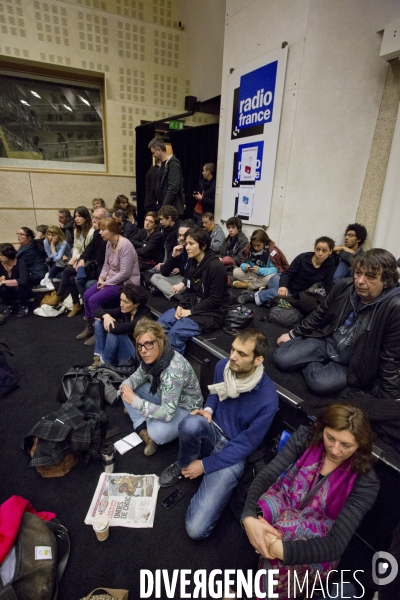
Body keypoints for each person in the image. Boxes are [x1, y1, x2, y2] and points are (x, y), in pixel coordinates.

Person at [241, 404, 379, 599]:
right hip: (287, 498)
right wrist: (249, 517)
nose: (335, 450)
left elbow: (336, 544)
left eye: (346, 445)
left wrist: (282, 550)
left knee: (284, 530)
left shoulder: (366, 481)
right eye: (330, 438)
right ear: (322, 429)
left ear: (360, 446)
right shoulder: (306, 437)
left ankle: (258, 591)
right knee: (261, 510)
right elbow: (268, 475)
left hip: (321, 532)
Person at [159, 327, 279, 540]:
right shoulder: (224, 366)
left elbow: (245, 446)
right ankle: (183, 464)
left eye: (242, 354)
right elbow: (214, 393)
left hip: (234, 450)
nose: (232, 356)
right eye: (233, 349)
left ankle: (202, 476)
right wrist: (208, 410)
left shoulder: (268, 399)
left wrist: (205, 466)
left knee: (196, 530)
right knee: (191, 424)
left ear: (258, 360)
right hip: (212, 429)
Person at [274, 248, 400, 398]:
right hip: (326, 341)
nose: (360, 281)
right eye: (358, 273)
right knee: (281, 358)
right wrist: (293, 333)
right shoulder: (345, 286)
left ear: (386, 281)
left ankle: (309, 363)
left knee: (320, 383)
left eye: (370, 276)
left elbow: (391, 356)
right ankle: (315, 363)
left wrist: (391, 397)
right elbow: (320, 313)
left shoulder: (394, 307)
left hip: (352, 364)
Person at [120, 319, 203, 456]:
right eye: (140, 345)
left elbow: (167, 413)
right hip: (163, 395)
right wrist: (128, 387)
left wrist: (136, 402)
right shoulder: (151, 359)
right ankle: (142, 428)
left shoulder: (173, 371)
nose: (143, 351)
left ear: (161, 341)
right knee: (125, 387)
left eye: (148, 344)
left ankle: (144, 418)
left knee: (157, 434)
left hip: (185, 408)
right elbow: (139, 375)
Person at [158, 227, 230, 355]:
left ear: (203, 246)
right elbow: (189, 290)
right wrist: (181, 305)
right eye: (186, 243)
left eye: (191, 243)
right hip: (192, 305)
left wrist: (190, 311)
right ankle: (159, 361)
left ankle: (174, 371)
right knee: (160, 325)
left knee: (175, 333)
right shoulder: (193, 262)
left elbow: (214, 300)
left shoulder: (215, 267)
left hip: (211, 313)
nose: (187, 247)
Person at [77, 217, 140, 345]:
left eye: (103, 230)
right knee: (87, 295)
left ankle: (99, 331)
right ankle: (90, 325)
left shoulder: (125, 245)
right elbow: (106, 265)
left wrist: (106, 283)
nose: (100, 232)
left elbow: (125, 273)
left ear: (112, 230)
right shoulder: (109, 243)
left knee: (94, 300)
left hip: (126, 283)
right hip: (111, 280)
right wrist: (101, 278)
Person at [45, 207, 107, 317]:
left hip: (92, 263)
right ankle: (76, 304)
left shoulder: (94, 231)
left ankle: (60, 296)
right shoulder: (76, 230)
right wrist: (75, 258)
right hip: (83, 260)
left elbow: (91, 250)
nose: (77, 219)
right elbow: (76, 247)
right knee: (70, 278)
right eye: (75, 216)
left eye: (80, 216)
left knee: (68, 271)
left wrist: (79, 260)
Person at [242, 235, 335, 306]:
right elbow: (287, 273)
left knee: (286, 301)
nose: (320, 253)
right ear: (314, 248)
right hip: (282, 282)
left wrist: (331, 299)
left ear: (330, 251)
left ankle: (262, 293)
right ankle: (253, 296)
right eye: (318, 249)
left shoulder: (329, 263)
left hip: (298, 292)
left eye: (324, 251)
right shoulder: (302, 258)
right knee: (281, 293)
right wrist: (283, 286)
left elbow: (328, 282)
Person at [92, 283, 151, 368]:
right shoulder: (127, 310)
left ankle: (103, 365)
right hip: (125, 346)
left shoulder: (143, 318)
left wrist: (103, 318)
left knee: (114, 333)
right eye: (121, 300)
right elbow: (96, 311)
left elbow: (116, 329)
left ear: (136, 304)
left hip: (136, 357)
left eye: (125, 302)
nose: (121, 304)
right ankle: (98, 357)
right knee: (99, 323)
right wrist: (105, 316)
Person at [150, 220, 193, 299]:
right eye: (179, 235)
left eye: (184, 235)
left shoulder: (194, 251)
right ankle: (176, 295)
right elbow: (164, 272)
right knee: (155, 277)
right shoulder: (179, 249)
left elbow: (194, 274)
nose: (181, 238)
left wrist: (182, 284)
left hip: (191, 282)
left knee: (186, 287)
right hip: (181, 278)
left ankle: (166, 291)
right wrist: (173, 256)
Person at [148, 137, 184, 216]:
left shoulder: (173, 164)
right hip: (163, 207)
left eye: (153, 153)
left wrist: (164, 206)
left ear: (159, 150)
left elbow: (173, 188)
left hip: (171, 210)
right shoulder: (162, 165)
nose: (153, 155)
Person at [0, 243, 31, 318]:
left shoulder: (20, 263)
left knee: (18, 287)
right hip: (9, 291)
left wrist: (4, 282)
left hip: (23, 290)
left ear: (9, 255)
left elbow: (23, 281)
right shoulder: (1, 264)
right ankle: (9, 306)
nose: (0, 257)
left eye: (2, 255)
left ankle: (24, 306)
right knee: (2, 288)